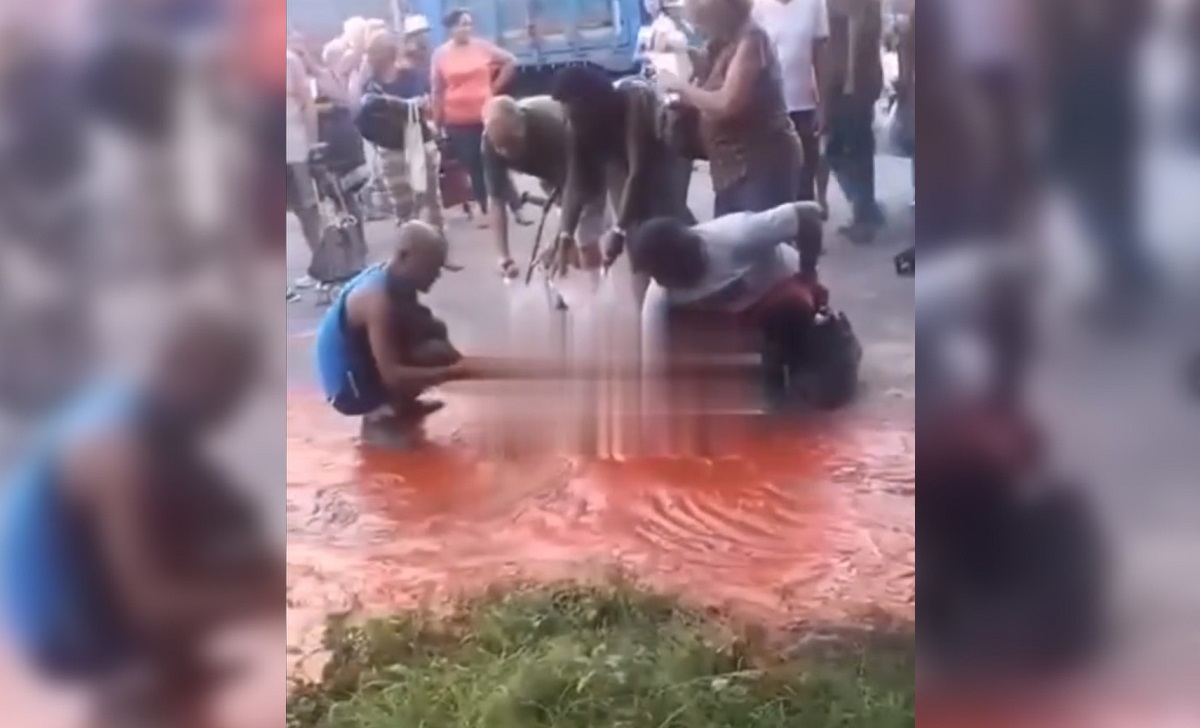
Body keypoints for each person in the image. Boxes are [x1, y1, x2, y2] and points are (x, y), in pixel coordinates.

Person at [0, 311, 281, 728]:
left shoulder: (142, 410)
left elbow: (225, 515)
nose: (229, 408)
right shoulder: (118, 451)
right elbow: (149, 601)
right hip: (59, 627)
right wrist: (259, 598)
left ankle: (165, 672)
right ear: (187, 372)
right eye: (226, 390)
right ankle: (135, 688)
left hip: (85, 572)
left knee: (219, 521)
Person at [631, 202, 848, 411]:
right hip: (729, 312)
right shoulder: (661, 294)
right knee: (670, 323)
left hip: (774, 289)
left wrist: (809, 272)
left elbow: (808, 213)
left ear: (682, 255)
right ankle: (703, 388)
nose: (661, 280)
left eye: (664, 271)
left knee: (791, 311)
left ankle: (784, 376)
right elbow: (652, 367)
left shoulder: (737, 236)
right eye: (656, 274)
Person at [656, 0, 804, 225]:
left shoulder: (752, 40)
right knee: (733, 244)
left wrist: (681, 88)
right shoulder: (724, 43)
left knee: (760, 246)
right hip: (731, 169)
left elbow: (727, 103)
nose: (701, 29)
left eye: (703, 22)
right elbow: (709, 87)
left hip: (760, 166)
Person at [549, 66, 695, 281]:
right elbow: (575, 182)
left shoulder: (633, 101)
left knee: (666, 214)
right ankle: (650, 298)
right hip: (620, 159)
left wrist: (619, 231)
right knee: (635, 235)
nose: (568, 116)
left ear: (589, 102)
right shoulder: (576, 122)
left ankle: (695, 261)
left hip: (664, 149)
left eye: (572, 109)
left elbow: (638, 172)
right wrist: (565, 234)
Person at [431, 9, 517, 228]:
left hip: (486, 115)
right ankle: (487, 209)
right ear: (451, 29)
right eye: (462, 24)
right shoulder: (440, 55)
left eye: (469, 24)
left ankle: (515, 205)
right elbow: (437, 90)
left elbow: (510, 61)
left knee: (497, 160)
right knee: (474, 165)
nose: (466, 28)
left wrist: (494, 87)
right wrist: (437, 121)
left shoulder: (481, 47)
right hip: (458, 121)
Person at [358, 29, 444, 230]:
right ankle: (413, 250)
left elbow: (419, 103)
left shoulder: (409, 75)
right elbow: (362, 112)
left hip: (417, 143)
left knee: (429, 200)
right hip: (389, 148)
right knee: (403, 205)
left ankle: (438, 247)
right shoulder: (370, 83)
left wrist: (385, 102)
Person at [753, 0, 829, 215]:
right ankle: (782, 240)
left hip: (804, 105)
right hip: (769, 108)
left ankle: (808, 239)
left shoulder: (814, 4)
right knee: (774, 178)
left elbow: (821, 58)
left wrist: (823, 105)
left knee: (805, 177)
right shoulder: (757, 6)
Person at [480, 95, 569, 278]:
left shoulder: (550, 129)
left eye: (512, 145)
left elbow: (574, 190)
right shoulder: (489, 142)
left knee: (584, 237)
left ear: (522, 127)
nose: (506, 153)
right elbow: (496, 200)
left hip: (579, 151)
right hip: (546, 168)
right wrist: (504, 258)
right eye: (501, 147)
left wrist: (560, 242)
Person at [823, 0, 886, 243]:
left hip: (850, 84)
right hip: (859, 80)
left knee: (842, 148)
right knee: (858, 145)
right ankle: (866, 208)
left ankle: (864, 212)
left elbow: (855, 29)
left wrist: (849, 79)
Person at [286, 41, 322, 299]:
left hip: (294, 148)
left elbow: (307, 102)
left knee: (308, 210)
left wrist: (312, 143)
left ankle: (325, 270)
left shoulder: (287, 60)